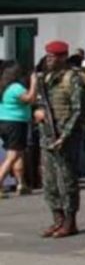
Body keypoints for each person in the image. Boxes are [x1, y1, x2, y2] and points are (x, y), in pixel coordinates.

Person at [32, 41, 85, 238]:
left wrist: (65, 135)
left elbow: (78, 109)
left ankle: (70, 222)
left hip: (66, 137)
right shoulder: (45, 79)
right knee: (49, 181)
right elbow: (39, 103)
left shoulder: (72, 78)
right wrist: (37, 112)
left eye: (53, 56)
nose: (49, 59)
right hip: (47, 135)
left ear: (63, 57)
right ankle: (57, 219)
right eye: (47, 56)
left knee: (67, 180)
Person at [0, 62, 37, 196]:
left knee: (19, 153)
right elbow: (30, 99)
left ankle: (21, 183)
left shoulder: (3, 87)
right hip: (15, 122)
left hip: (4, 121)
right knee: (13, 155)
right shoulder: (16, 87)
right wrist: (33, 83)